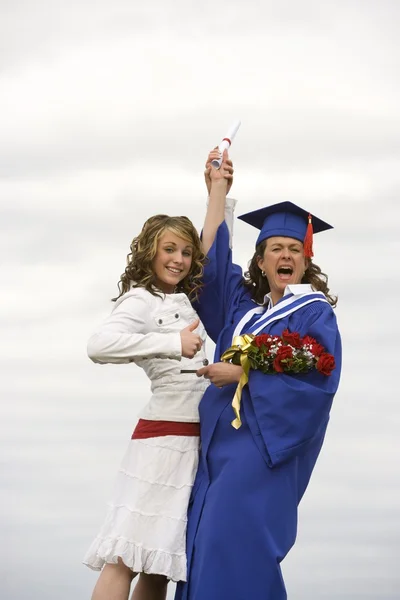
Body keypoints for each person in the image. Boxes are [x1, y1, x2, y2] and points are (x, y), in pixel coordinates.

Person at [175, 150, 342, 600]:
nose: (285, 256)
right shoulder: (246, 315)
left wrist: (244, 372)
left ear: (306, 261)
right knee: (201, 549)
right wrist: (216, 192)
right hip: (214, 454)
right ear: (263, 261)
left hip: (262, 452)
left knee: (233, 545)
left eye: (294, 250)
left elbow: (318, 385)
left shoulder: (313, 313)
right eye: (276, 250)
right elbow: (211, 269)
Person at [82, 212, 229, 600]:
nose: (178, 259)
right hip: (161, 441)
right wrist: (170, 343)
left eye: (185, 251)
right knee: (126, 557)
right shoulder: (141, 299)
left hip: (196, 444)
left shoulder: (192, 298)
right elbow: (98, 345)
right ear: (149, 251)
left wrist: (218, 191)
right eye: (169, 249)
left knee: (159, 563)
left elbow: (217, 246)